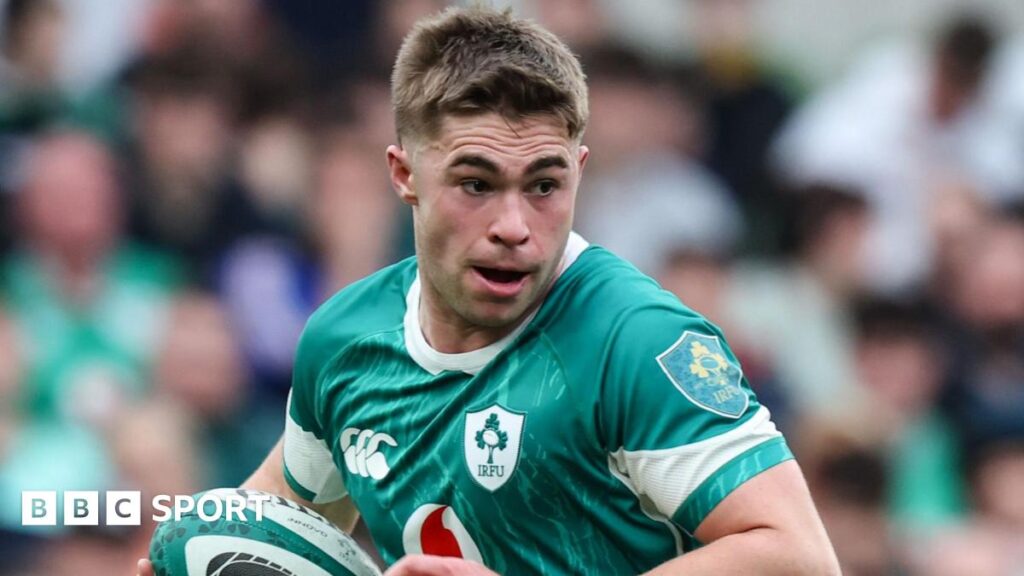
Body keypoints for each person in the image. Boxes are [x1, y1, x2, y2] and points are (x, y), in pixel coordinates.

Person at [139, 7, 838, 575]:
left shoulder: (637, 341)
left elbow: (798, 556)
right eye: (476, 183)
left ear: (579, 170)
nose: (514, 227)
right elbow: (287, 513)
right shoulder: (346, 340)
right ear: (405, 174)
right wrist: (196, 556)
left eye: (544, 185)